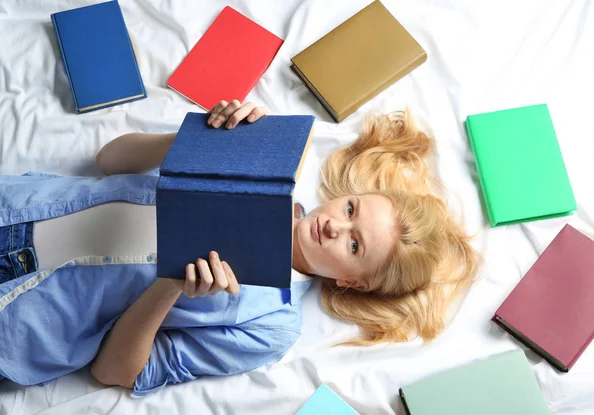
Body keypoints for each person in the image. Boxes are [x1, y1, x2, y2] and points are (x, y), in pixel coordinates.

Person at [0, 100, 478, 396]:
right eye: (350, 210)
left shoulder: (273, 325)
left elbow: (114, 373)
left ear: (352, 280)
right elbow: (109, 159)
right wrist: (198, 141)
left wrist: (170, 287)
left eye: (355, 246)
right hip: (16, 207)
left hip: (21, 323)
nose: (335, 227)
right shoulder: (263, 162)